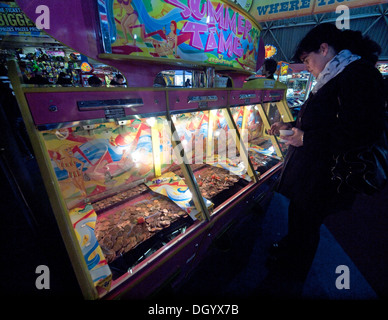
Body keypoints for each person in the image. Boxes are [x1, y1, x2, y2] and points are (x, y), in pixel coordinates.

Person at [265, 23, 385, 287]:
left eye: (307, 59)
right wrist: (293, 126)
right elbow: (324, 120)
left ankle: (289, 279)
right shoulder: (334, 76)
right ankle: (288, 252)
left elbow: (362, 132)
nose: (306, 66)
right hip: (312, 172)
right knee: (299, 220)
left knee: (307, 226)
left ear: (324, 48)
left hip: (326, 176)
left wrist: (305, 137)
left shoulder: (359, 76)